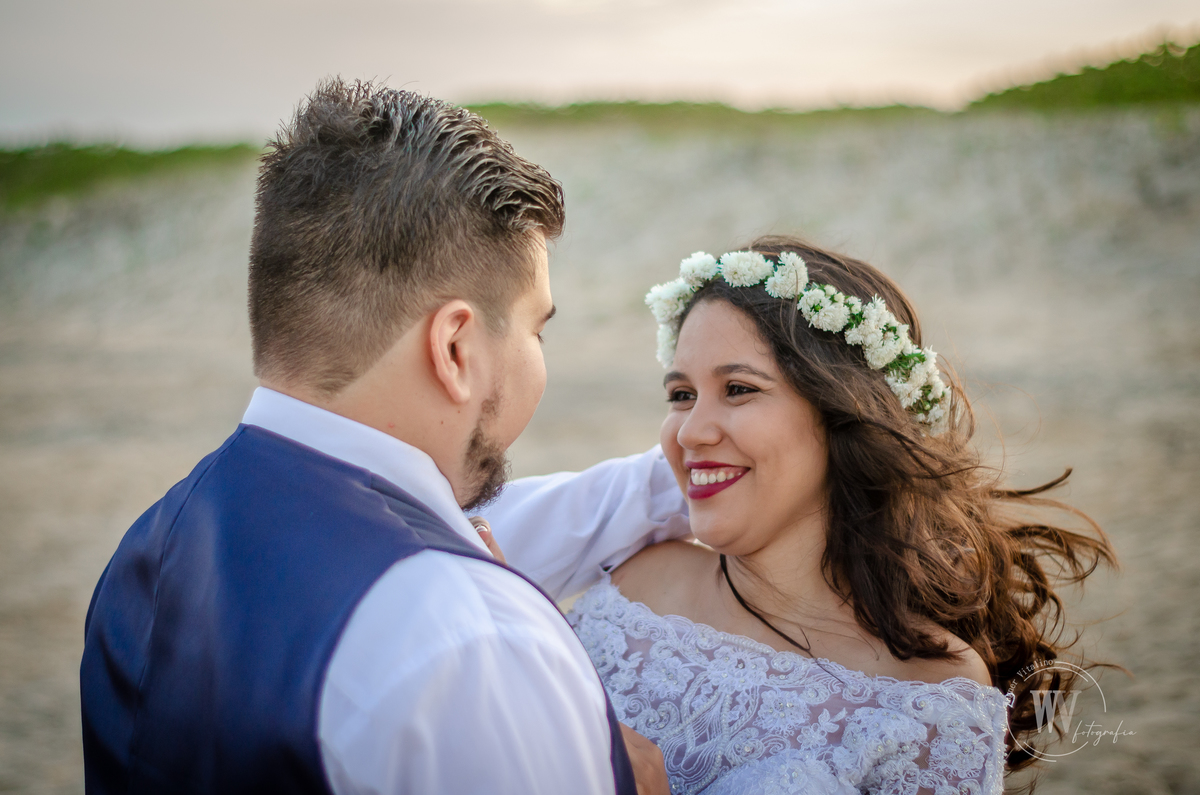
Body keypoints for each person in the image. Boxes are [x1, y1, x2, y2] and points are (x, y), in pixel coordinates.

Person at [78, 79, 690, 795]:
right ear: (456, 348)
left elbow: (532, 520)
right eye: (536, 327)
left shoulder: (150, 547)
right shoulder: (470, 641)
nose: (539, 354)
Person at [483, 237, 1115, 794]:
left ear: (838, 414)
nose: (691, 430)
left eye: (738, 389)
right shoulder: (636, 585)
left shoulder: (933, 697)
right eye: (681, 394)